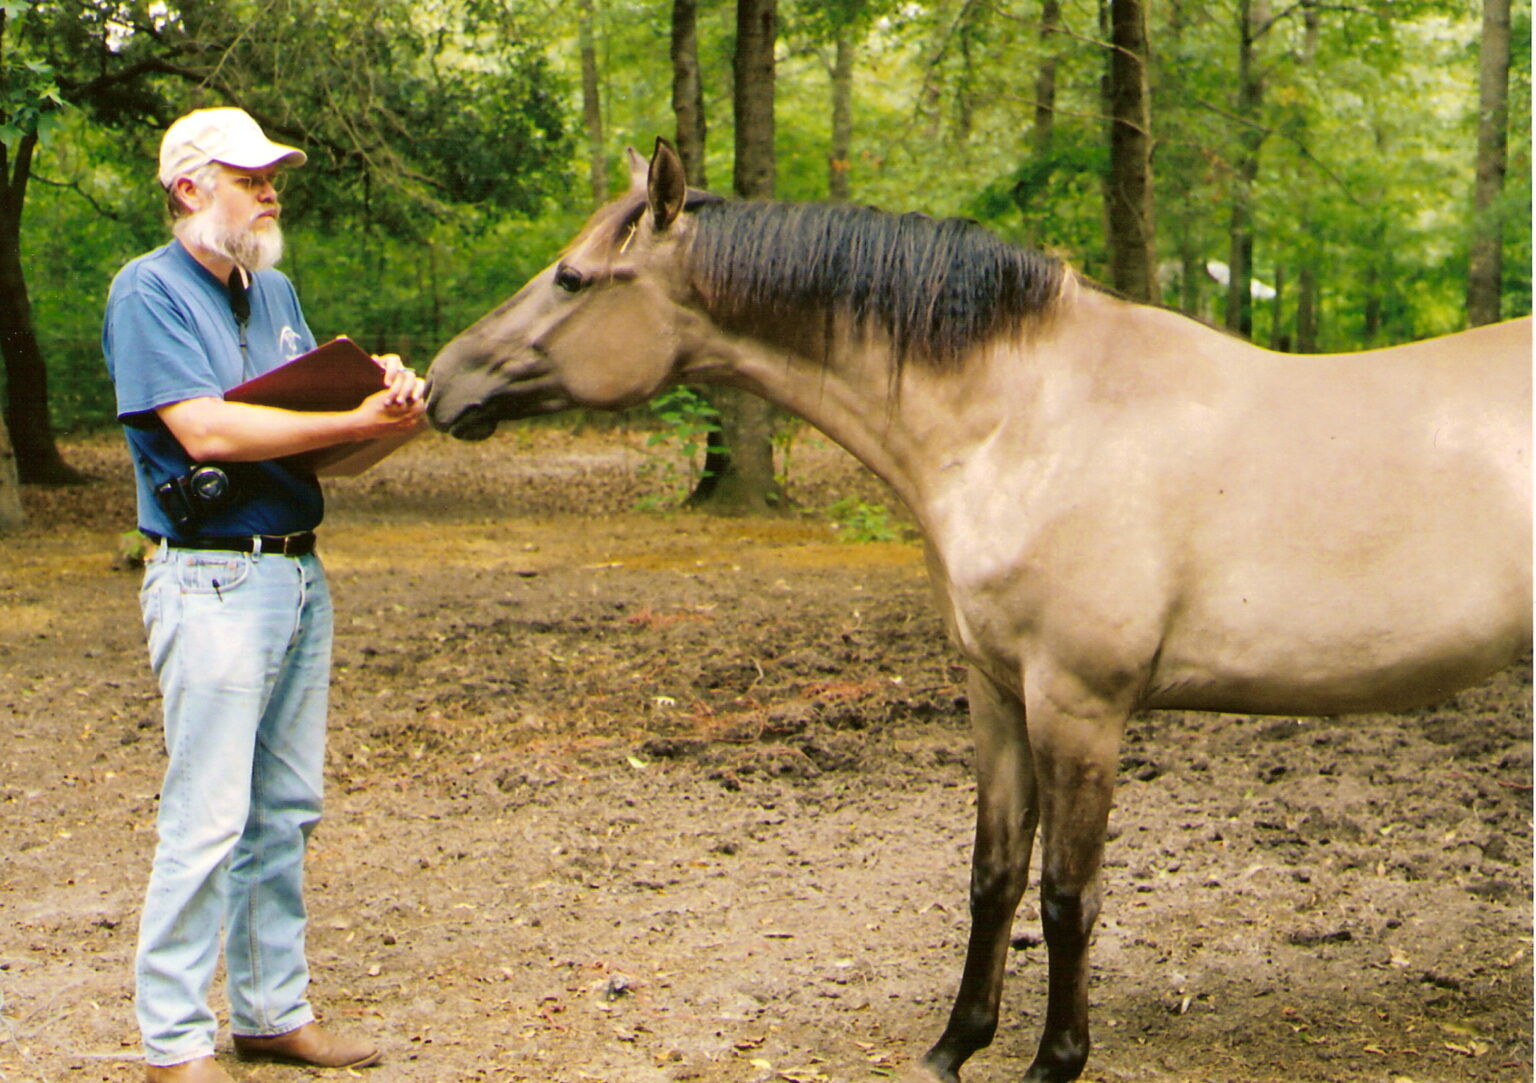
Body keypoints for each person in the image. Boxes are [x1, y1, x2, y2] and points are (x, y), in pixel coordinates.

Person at [102, 107, 425, 1083]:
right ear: (189, 188)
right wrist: (346, 413)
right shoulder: (146, 292)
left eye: (273, 174)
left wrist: (394, 417)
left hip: (295, 568)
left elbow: (333, 455)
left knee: (283, 808)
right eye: (250, 176)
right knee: (207, 814)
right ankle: (172, 1045)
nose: (271, 189)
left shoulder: (273, 289)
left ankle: (271, 1014)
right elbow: (204, 431)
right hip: (209, 575)